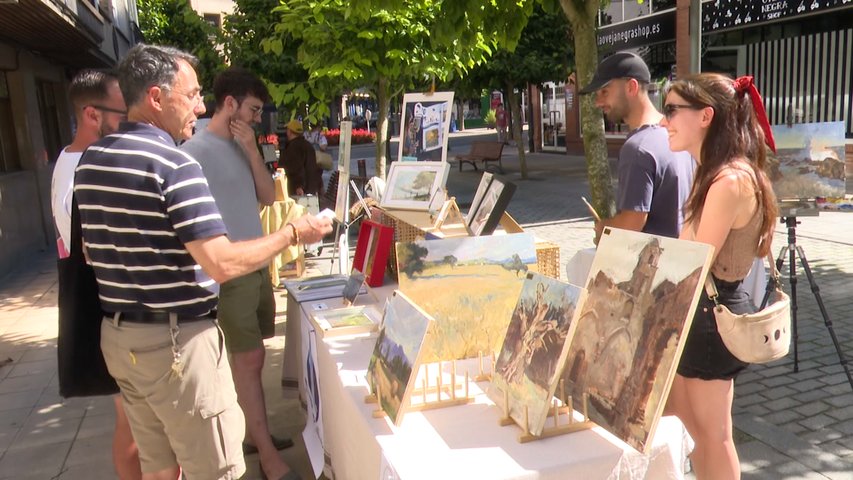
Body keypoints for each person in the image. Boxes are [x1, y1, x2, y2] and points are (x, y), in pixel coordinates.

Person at [74, 44, 331, 480]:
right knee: (216, 469)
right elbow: (221, 263)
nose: (200, 104)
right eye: (191, 94)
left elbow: (89, 250)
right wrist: (293, 233)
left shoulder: (92, 161)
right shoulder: (175, 162)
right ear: (156, 98)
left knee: (160, 467)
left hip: (121, 338)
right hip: (177, 345)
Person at [181, 67, 297, 480]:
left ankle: (254, 434)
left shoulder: (242, 144)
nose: (255, 118)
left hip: (256, 266)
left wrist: (251, 150)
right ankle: (266, 454)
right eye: (251, 109)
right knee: (248, 359)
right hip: (227, 274)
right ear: (229, 103)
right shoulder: (193, 151)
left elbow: (267, 197)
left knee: (253, 358)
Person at [661, 73, 778, 479]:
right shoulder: (716, 173)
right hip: (702, 311)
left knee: (713, 435)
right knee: (694, 428)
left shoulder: (729, 180)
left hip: (710, 314)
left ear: (706, 116)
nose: (664, 121)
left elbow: (692, 258)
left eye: (673, 110)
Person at [50, 69, 142, 480]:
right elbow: (92, 251)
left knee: (136, 424)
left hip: (110, 311)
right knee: (134, 428)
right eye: (121, 113)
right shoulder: (78, 172)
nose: (127, 121)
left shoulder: (75, 161)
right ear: (92, 114)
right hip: (106, 313)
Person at [578, 51, 695, 242]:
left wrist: (604, 227)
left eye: (605, 92)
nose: (598, 102)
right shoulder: (678, 135)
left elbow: (630, 225)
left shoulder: (638, 148)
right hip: (681, 262)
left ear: (631, 87)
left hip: (653, 265)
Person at [280, 119, 320, 196]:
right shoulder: (308, 145)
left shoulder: (293, 148)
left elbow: (296, 168)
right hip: (310, 188)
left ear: (289, 131)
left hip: (298, 190)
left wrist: (299, 186)